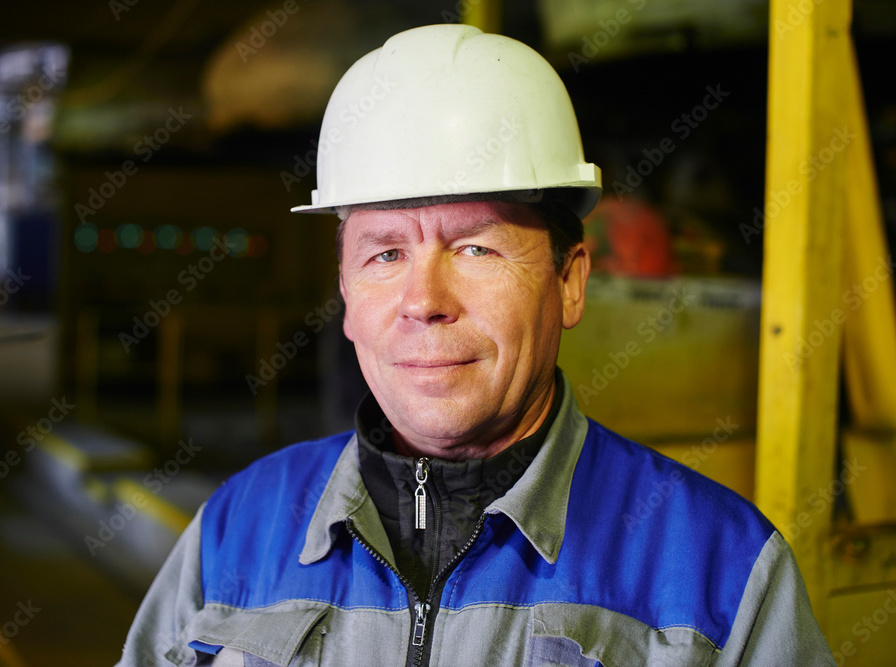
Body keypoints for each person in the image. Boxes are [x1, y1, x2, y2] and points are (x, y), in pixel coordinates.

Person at [117, 24, 834, 666]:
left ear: (570, 281)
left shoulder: (724, 572)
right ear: (345, 288)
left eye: (478, 248)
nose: (425, 302)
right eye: (386, 255)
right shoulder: (233, 534)